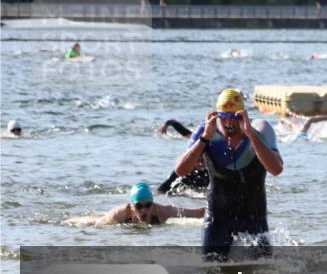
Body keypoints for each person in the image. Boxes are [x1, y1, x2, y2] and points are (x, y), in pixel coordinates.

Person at [174, 88, 283, 261]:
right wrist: (204, 138)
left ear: (243, 114)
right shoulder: (206, 131)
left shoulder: (260, 129)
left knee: (261, 273)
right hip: (217, 217)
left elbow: (277, 169)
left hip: (254, 216)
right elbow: (180, 170)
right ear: (217, 115)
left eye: (235, 116)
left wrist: (251, 135)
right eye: (224, 116)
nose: (229, 122)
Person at [97, 182, 205, 226]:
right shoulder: (118, 214)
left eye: (148, 205)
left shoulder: (163, 212)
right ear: (131, 206)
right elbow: (98, 225)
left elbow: (197, 213)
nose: (144, 210)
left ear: (152, 204)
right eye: (139, 206)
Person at [155, 120, 210, 194]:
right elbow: (161, 190)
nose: (201, 158)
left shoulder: (213, 168)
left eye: (203, 153)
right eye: (198, 155)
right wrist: (166, 125)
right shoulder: (184, 167)